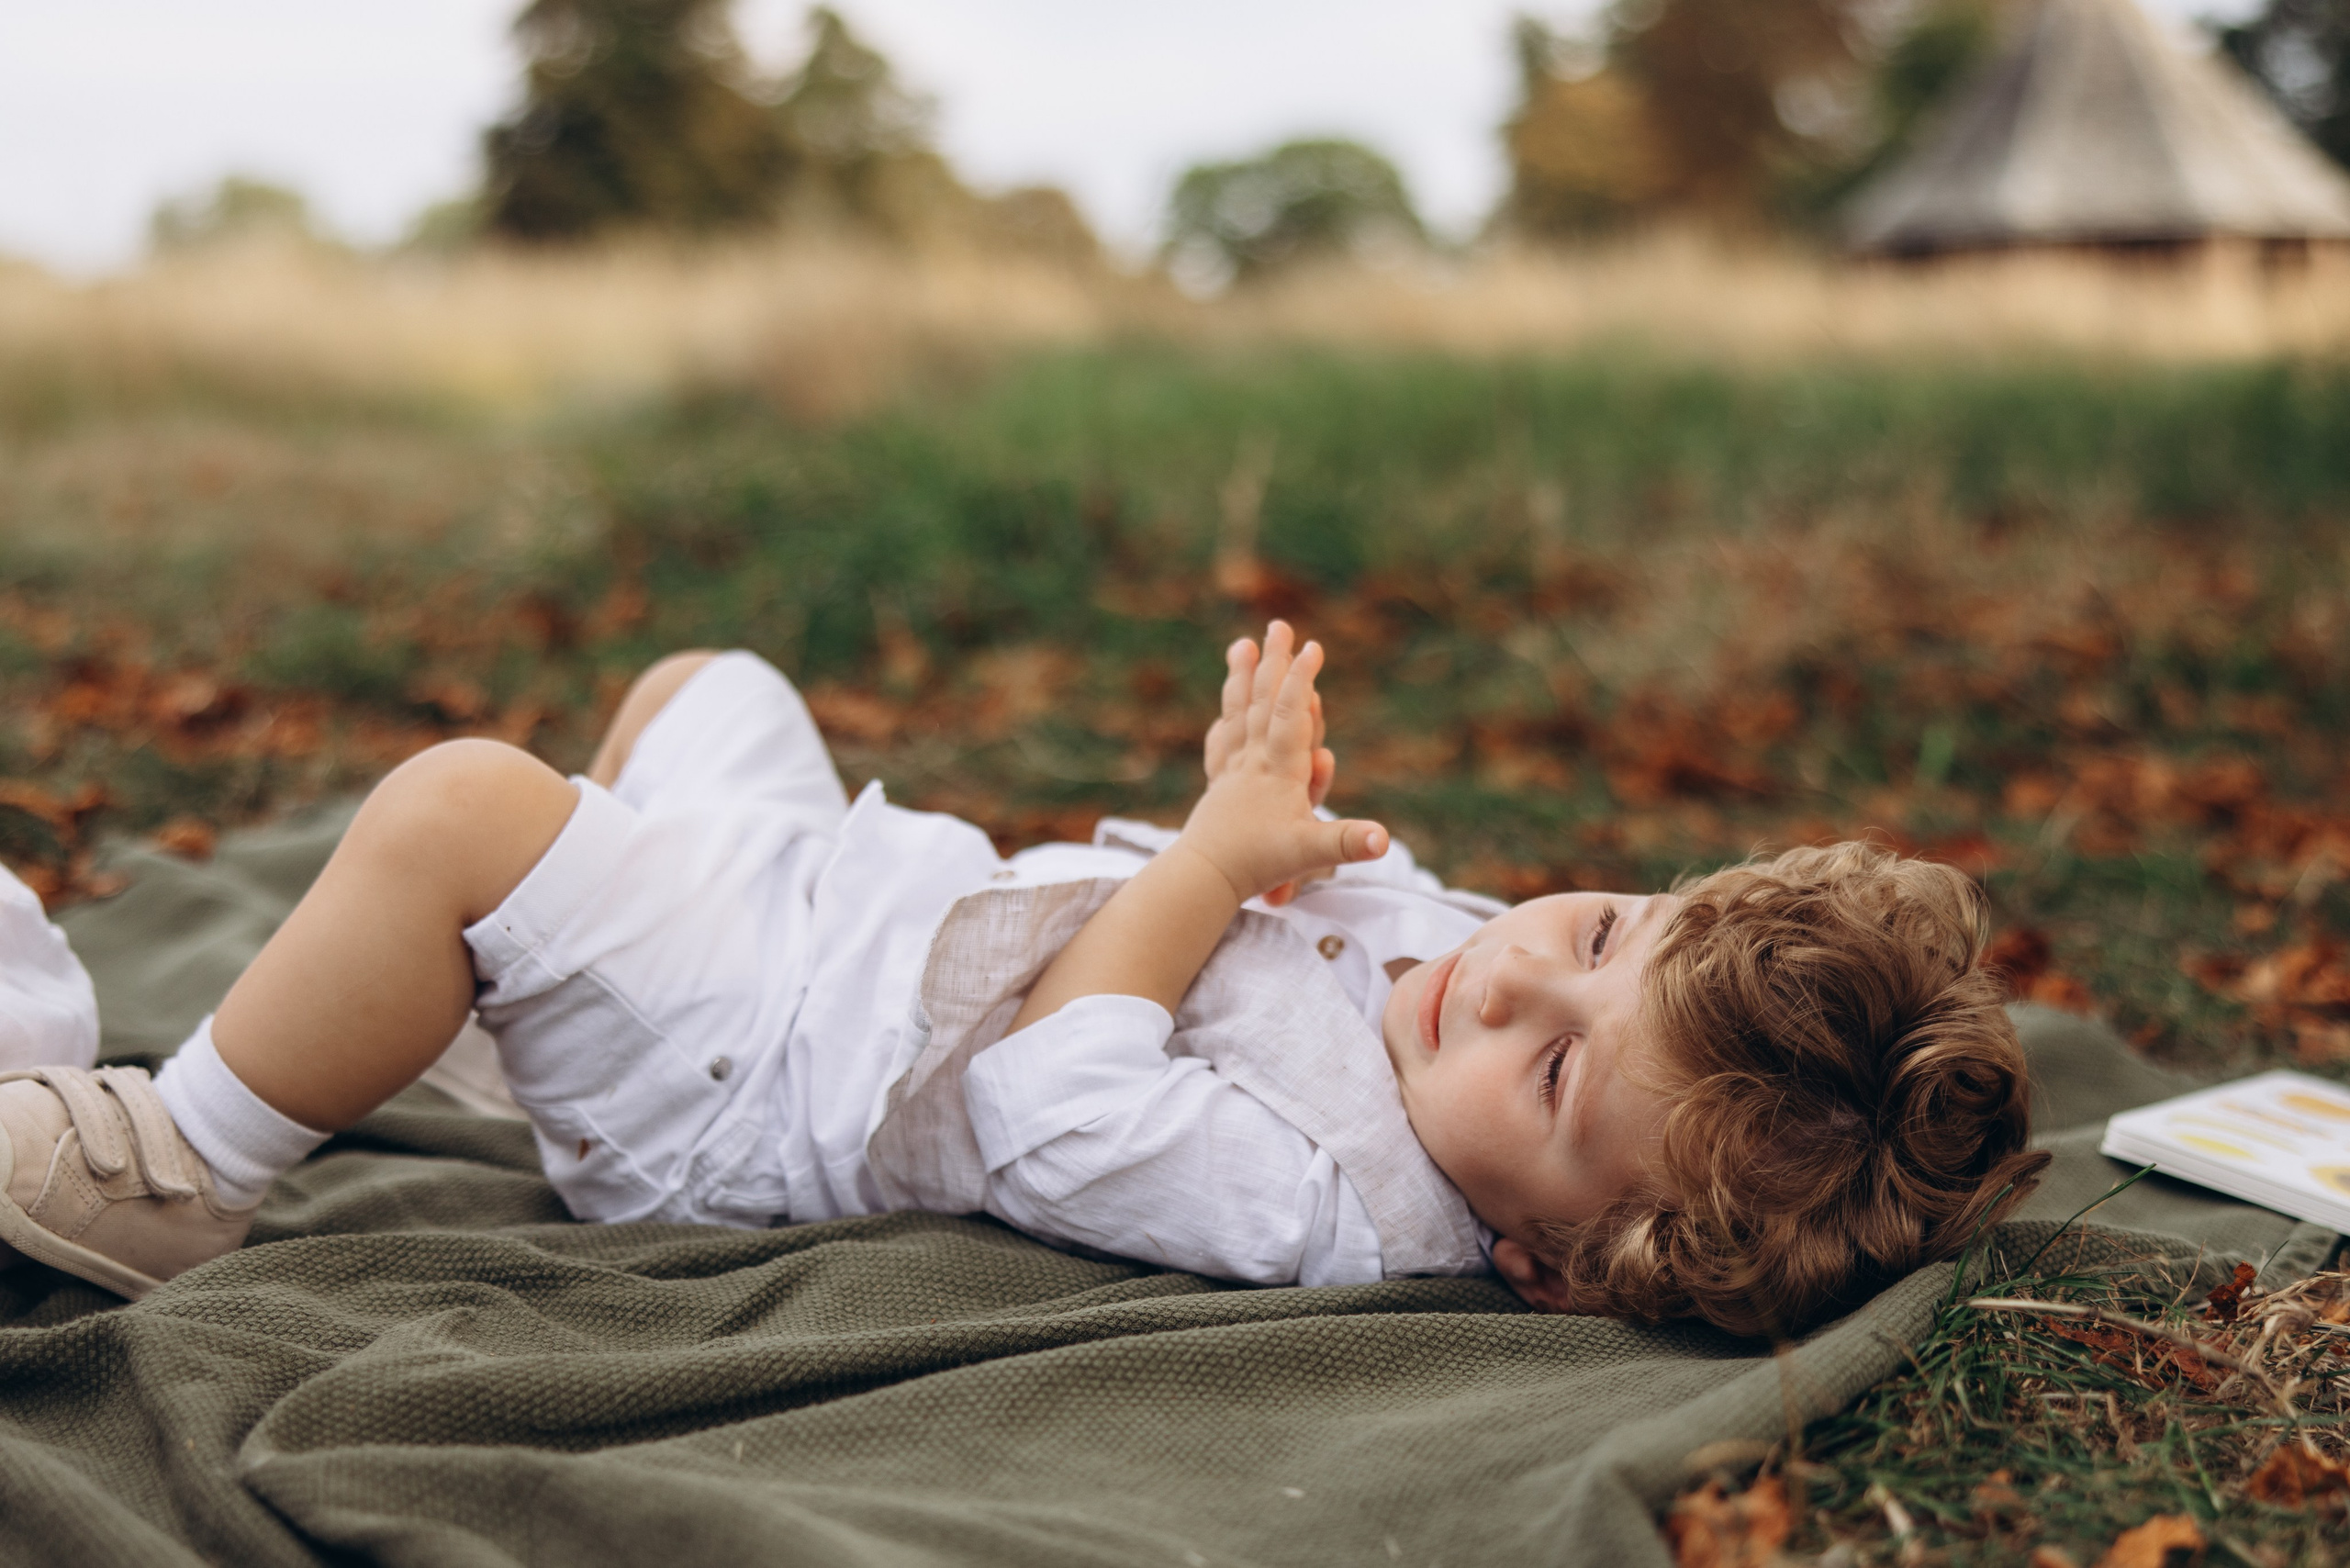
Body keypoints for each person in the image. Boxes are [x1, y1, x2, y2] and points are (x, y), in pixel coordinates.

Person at [0, 625, 2047, 1335]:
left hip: (764, 1085)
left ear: (1543, 1263)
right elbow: (1384, 906)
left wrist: (1208, 865)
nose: (1499, 981)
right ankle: (506, 981)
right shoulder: (1482, 990)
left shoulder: (1341, 1202)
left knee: (457, 803)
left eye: (1553, 1075)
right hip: (841, 922)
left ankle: (189, 1154)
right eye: (1598, 931)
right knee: (707, 689)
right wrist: (1271, 801)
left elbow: (1043, 1097)